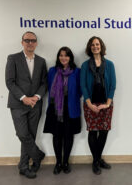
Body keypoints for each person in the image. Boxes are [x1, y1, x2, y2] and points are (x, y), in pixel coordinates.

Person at [5, 31, 47, 179]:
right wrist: (23, 98)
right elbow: (10, 82)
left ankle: (24, 166)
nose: (30, 43)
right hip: (18, 104)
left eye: (33, 40)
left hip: (35, 104)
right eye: (27, 40)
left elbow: (44, 83)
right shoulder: (13, 58)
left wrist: (36, 97)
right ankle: (37, 156)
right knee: (23, 134)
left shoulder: (41, 61)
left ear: (36, 43)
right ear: (22, 42)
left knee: (31, 135)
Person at [80, 36, 116, 175]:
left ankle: (97, 159)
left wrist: (107, 103)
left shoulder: (110, 65)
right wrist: (89, 103)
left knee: (104, 131)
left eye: (97, 44)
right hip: (91, 104)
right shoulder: (85, 65)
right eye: (93, 44)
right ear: (90, 47)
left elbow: (113, 85)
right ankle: (96, 161)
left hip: (106, 104)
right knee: (93, 131)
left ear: (101, 46)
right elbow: (82, 85)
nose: (95, 46)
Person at [43, 46, 81, 175]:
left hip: (71, 108)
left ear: (70, 58)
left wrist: (70, 97)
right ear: (58, 57)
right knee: (57, 136)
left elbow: (80, 90)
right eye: (61, 55)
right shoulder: (52, 71)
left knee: (68, 136)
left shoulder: (77, 71)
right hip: (55, 109)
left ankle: (66, 162)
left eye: (66, 55)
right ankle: (58, 162)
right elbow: (48, 87)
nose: (63, 58)